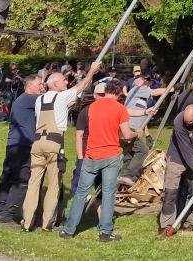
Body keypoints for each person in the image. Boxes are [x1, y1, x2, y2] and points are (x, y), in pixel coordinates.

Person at [21, 61, 100, 231]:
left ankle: (27, 222)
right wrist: (91, 71)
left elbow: (62, 107)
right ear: (56, 84)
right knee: (54, 184)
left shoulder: (39, 99)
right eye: (64, 81)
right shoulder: (62, 96)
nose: (66, 82)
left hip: (37, 144)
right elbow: (83, 85)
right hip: (53, 144)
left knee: (34, 183)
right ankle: (47, 223)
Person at [60, 79, 136, 242]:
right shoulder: (120, 109)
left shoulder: (92, 107)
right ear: (118, 93)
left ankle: (69, 230)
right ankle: (105, 232)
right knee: (108, 194)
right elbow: (127, 135)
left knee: (81, 193)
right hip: (111, 156)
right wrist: (135, 134)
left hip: (91, 155)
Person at [0, 74, 44, 225]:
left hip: (14, 144)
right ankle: (6, 216)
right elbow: (53, 100)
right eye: (39, 84)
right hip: (23, 145)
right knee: (21, 181)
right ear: (30, 86)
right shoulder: (30, 99)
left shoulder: (22, 99)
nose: (42, 86)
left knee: (7, 178)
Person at [158, 102, 193, 238]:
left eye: (191, 122)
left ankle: (189, 221)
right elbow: (186, 150)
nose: (188, 125)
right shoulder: (179, 121)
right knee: (171, 192)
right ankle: (165, 225)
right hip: (177, 158)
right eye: (186, 122)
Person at [118, 74, 167, 186]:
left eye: (147, 82)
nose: (146, 83)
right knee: (142, 150)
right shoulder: (136, 89)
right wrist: (172, 89)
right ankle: (127, 176)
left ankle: (119, 184)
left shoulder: (140, 100)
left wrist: (148, 136)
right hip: (128, 130)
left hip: (133, 130)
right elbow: (155, 92)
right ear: (134, 82)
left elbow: (142, 121)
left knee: (129, 157)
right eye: (143, 81)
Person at [70, 81, 106, 221]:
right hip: (87, 155)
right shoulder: (87, 111)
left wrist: (146, 112)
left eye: (106, 94)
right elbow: (79, 134)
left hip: (104, 156)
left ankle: (102, 220)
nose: (104, 97)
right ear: (95, 95)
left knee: (101, 189)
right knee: (79, 188)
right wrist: (80, 157)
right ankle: (73, 220)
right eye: (101, 95)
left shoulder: (111, 110)